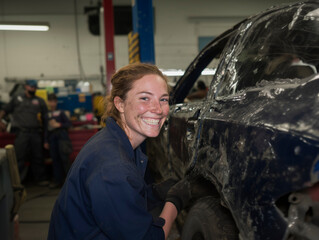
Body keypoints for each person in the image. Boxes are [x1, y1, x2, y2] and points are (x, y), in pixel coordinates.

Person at [48, 63, 192, 239]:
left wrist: (156, 193)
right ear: (120, 104)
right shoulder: (113, 166)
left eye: (163, 99)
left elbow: (127, 196)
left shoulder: (112, 141)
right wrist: (174, 202)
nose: (158, 109)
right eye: (144, 98)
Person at [0, 79, 49, 185]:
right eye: (31, 87)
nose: (33, 89)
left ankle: (40, 179)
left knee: (38, 157)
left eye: (35, 87)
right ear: (26, 87)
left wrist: (46, 138)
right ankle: (18, 182)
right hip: (22, 133)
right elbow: (5, 110)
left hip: (35, 133)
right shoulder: (17, 98)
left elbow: (46, 119)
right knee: (19, 158)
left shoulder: (40, 101)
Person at [44, 93, 72, 189]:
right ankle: (57, 181)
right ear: (48, 102)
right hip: (52, 140)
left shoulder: (61, 113)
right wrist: (45, 141)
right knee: (55, 160)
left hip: (62, 139)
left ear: (56, 102)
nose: (52, 104)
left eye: (54, 101)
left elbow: (69, 124)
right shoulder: (47, 115)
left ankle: (70, 181)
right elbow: (45, 129)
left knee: (65, 160)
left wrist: (59, 125)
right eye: (50, 101)